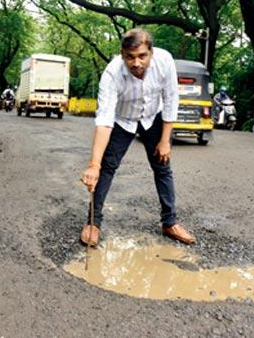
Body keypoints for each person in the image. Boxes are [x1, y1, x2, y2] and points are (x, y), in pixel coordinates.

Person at [79, 28, 194, 247]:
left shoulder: (165, 61)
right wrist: (94, 164)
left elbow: (171, 99)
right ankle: (93, 223)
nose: (137, 63)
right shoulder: (112, 73)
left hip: (153, 117)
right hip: (123, 120)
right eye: (130, 57)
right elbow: (104, 119)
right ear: (122, 55)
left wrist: (164, 141)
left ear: (151, 52)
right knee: (106, 167)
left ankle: (169, 222)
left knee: (163, 166)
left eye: (142, 56)